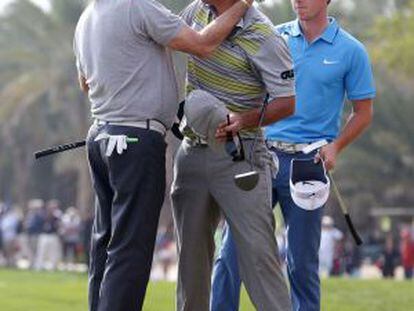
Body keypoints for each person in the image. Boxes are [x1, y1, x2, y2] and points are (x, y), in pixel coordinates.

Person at [73, 0, 254, 310]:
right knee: (130, 248)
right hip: (134, 139)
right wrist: (242, 5)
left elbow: (85, 84)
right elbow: (203, 44)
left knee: (105, 245)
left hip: (101, 136)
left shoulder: (87, 17)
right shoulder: (137, 6)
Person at [211, 0, 376, 310]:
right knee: (231, 253)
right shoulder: (273, 37)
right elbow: (248, 86)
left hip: (309, 164)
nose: (297, 1)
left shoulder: (351, 51)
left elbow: (363, 113)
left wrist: (336, 146)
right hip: (261, 155)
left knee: (301, 263)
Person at [171, 0, 296, 310]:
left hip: (242, 155)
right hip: (191, 154)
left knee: (258, 257)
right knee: (191, 262)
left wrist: (243, 120)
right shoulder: (196, 11)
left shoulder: (263, 34)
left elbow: (286, 103)